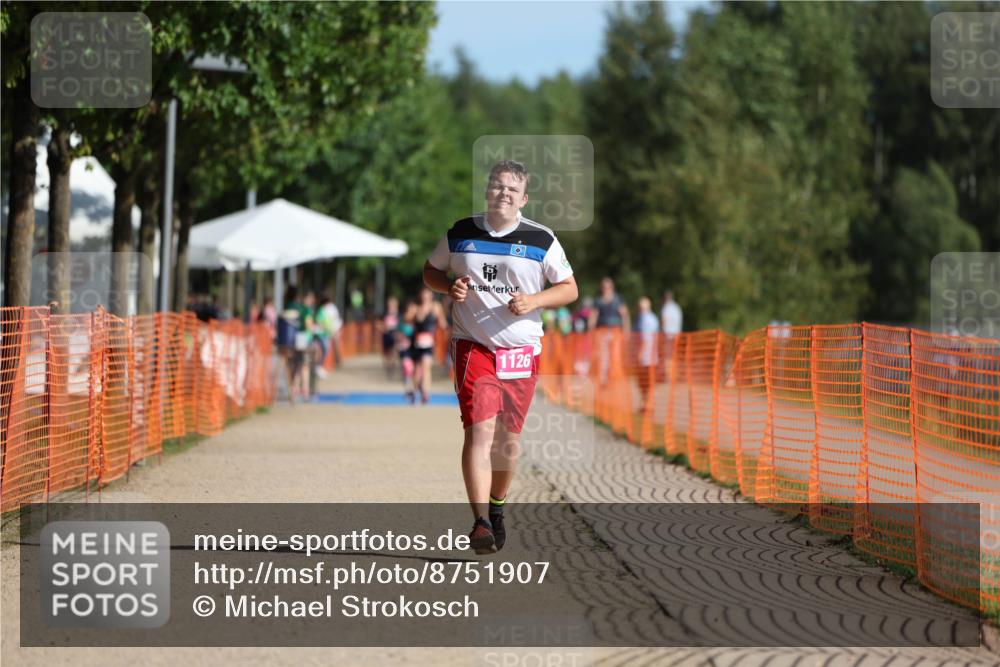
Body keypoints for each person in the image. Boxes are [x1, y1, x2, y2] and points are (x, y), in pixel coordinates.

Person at [423, 159, 578, 554]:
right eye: (497, 185)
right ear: (487, 191)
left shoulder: (541, 239)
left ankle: (496, 507)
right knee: (479, 431)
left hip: (521, 350)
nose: (503, 193)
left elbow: (569, 289)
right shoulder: (461, 232)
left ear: (523, 198)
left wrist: (535, 300)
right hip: (473, 344)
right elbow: (430, 271)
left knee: (508, 440)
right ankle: (478, 523)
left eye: (512, 188)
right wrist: (449, 287)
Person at [404, 287, 446, 405]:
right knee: (417, 370)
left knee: (427, 367)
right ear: (420, 296)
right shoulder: (415, 308)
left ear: (431, 295)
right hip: (416, 342)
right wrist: (416, 314)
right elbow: (406, 319)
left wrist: (444, 328)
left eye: (427, 294)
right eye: (423, 294)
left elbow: (442, 323)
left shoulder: (436, 307)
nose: (425, 296)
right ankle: (415, 390)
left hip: (429, 342)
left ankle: (425, 393)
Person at [589, 278, 630, 386]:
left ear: (612, 287)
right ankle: (603, 380)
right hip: (601, 332)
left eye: (608, 287)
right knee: (603, 357)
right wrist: (591, 331)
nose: (606, 289)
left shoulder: (618, 299)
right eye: (604, 287)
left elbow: (624, 315)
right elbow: (593, 316)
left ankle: (614, 379)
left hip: (615, 332)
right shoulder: (598, 301)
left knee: (615, 356)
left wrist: (626, 330)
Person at [634, 296, 659, 411]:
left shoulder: (644, 319)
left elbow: (645, 339)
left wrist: (640, 353)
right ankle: (647, 403)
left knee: (644, 381)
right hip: (653, 355)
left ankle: (646, 404)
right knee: (649, 382)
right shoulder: (653, 318)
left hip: (646, 356)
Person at [378, 296, 401, 375]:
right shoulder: (384, 314)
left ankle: (392, 366)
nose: (391, 306)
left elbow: (401, 325)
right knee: (387, 353)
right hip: (386, 335)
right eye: (390, 304)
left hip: (395, 336)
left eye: (393, 304)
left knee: (394, 351)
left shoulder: (399, 315)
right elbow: (378, 324)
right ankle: (388, 366)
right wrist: (384, 328)